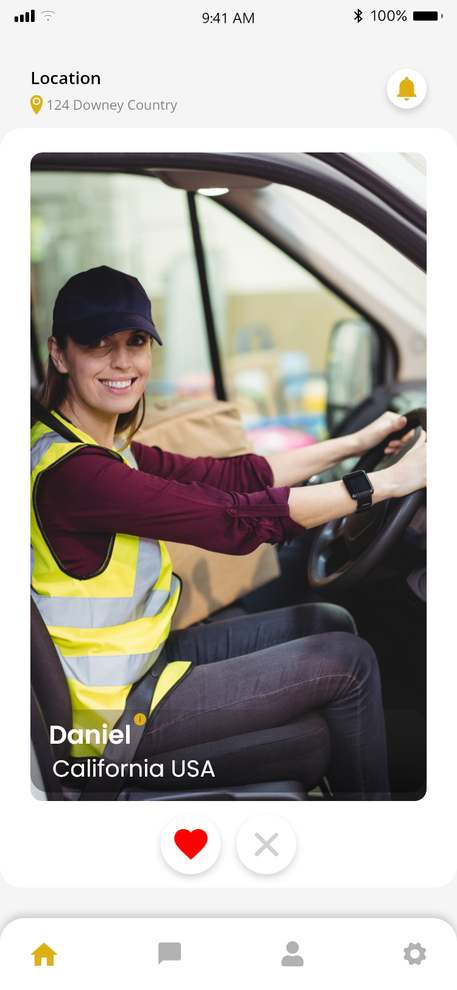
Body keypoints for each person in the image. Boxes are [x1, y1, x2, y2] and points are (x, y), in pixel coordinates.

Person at [31, 266, 426, 800]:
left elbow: (236, 476)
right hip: (107, 718)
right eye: (98, 344)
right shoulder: (76, 474)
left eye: (136, 341)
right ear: (60, 354)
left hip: (144, 662)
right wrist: (385, 483)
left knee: (329, 618)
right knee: (350, 664)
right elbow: (233, 520)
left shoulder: (98, 446)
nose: (122, 361)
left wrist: (361, 442)